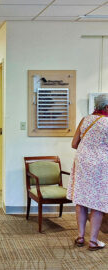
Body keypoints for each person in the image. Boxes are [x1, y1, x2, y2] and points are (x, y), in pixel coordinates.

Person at [68, 94, 108, 251]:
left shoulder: (85, 120)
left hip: (82, 163)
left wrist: (88, 150)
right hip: (101, 166)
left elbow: (74, 143)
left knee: (82, 200)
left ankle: (80, 236)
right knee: (97, 202)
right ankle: (93, 241)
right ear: (106, 107)